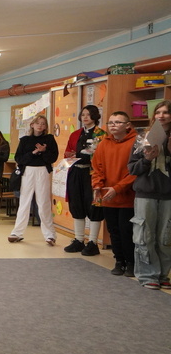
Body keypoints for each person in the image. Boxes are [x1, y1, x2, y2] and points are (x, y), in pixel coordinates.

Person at [127, 100, 171, 290]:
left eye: (166, 112)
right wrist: (147, 159)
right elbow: (132, 169)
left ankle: (163, 274)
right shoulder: (142, 138)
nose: (161, 116)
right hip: (145, 194)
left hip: (168, 195)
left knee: (166, 236)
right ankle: (148, 274)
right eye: (158, 112)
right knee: (145, 235)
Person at [91, 111, 137, 277]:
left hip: (127, 197)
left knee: (127, 231)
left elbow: (135, 172)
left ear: (127, 125)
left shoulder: (135, 142)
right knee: (113, 230)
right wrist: (97, 186)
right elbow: (97, 167)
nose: (113, 125)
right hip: (107, 197)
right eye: (110, 122)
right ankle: (119, 261)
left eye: (118, 122)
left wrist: (117, 188)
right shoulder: (104, 143)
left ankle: (131, 262)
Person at [63, 105, 107, 255]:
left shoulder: (101, 134)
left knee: (94, 205)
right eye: (83, 115)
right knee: (76, 204)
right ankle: (79, 239)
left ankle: (93, 242)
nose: (85, 117)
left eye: (88, 114)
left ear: (95, 116)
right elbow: (67, 153)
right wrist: (70, 155)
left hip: (92, 174)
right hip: (76, 172)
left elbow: (102, 156)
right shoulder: (75, 134)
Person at [8, 115, 58, 244]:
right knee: (24, 202)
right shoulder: (25, 140)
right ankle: (17, 232)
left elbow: (53, 158)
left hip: (43, 171)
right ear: (32, 125)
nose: (40, 126)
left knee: (43, 202)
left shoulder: (49, 139)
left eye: (43, 123)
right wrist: (33, 153)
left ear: (46, 126)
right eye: (38, 123)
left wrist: (43, 151)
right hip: (28, 171)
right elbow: (19, 158)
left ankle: (50, 234)